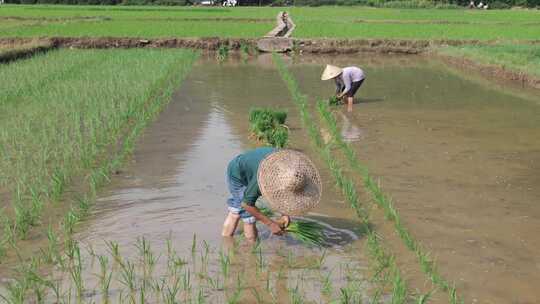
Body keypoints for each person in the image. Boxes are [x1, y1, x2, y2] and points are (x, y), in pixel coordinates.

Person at [222, 148, 322, 242]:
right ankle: (252, 252)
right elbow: (247, 205)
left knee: (235, 211)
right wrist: (270, 224)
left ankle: (226, 242)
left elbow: (283, 194)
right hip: (237, 173)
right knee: (249, 218)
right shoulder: (260, 180)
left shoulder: (289, 168)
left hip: (249, 166)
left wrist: (284, 214)